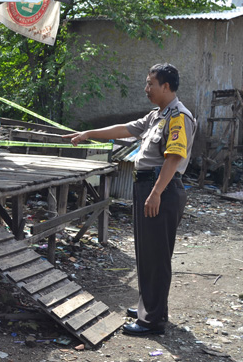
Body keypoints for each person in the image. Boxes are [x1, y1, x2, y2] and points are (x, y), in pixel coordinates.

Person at [64, 63, 196, 336]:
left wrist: (156, 192)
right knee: (146, 254)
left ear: (166, 87)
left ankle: (152, 321)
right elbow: (124, 129)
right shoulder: (156, 116)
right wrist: (89, 134)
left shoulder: (178, 117)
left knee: (157, 256)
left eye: (151, 84)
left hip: (162, 189)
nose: (146, 89)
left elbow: (173, 158)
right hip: (148, 187)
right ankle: (150, 306)